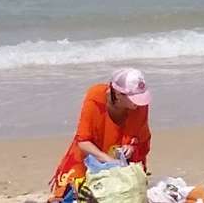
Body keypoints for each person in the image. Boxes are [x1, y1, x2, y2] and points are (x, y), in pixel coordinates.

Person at [48, 68, 152, 203]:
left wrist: (131, 147)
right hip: (90, 155)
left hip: (122, 159)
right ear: (118, 94)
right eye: (134, 99)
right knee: (74, 193)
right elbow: (83, 141)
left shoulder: (140, 106)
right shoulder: (95, 97)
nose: (139, 103)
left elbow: (141, 139)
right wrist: (107, 160)